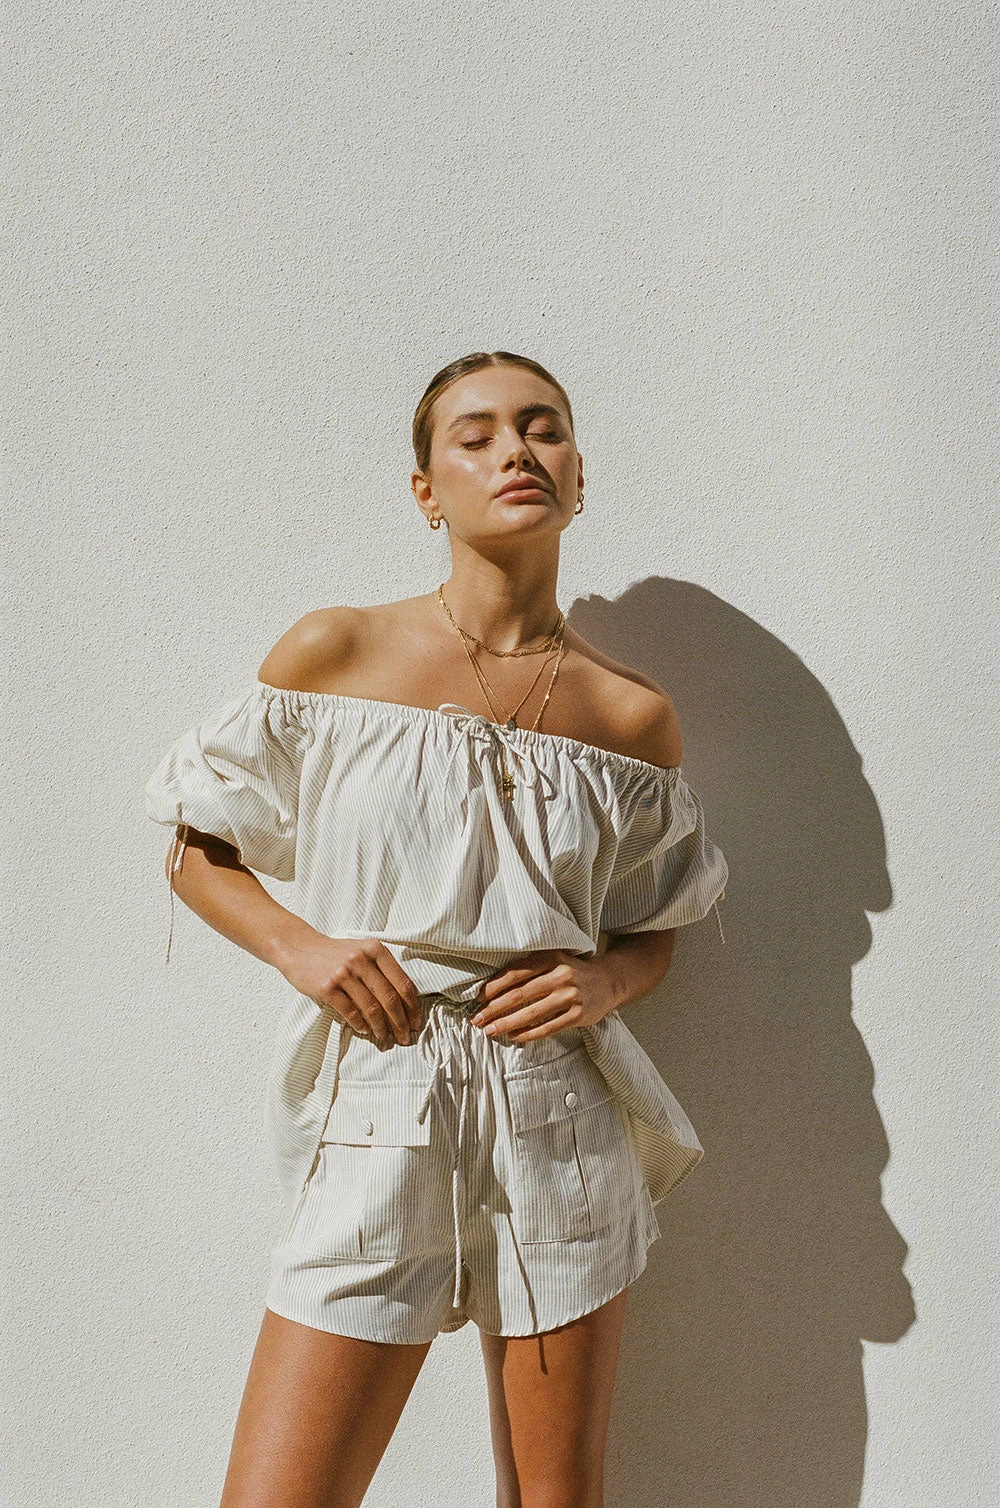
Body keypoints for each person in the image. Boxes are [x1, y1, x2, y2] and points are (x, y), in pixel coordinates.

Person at [144, 350, 728, 1508]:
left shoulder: (629, 714)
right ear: (426, 490)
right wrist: (305, 949)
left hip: (556, 1111)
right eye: (476, 434)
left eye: (543, 427)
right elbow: (195, 845)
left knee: (554, 1498)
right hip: (383, 1093)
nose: (516, 450)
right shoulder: (336, 652)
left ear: (578, 474)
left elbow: (654, 926)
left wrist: (604, 982)